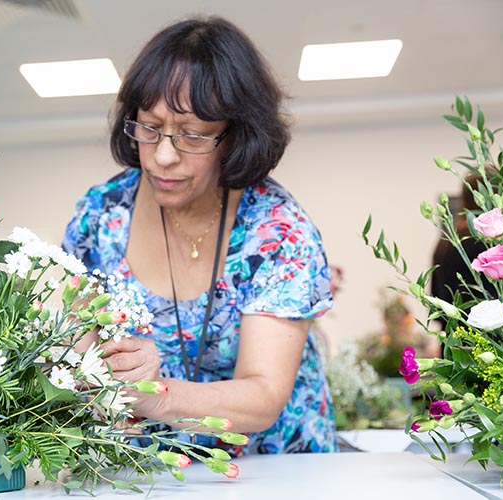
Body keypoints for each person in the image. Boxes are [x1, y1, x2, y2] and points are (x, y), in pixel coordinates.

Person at [62, 16, 335, 454]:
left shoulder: (278, 230)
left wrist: (157, 394)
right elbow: (72, 354)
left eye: (192, 135)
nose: (163, 157)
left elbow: (263, 396)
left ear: (234, 137)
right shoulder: (99, 214)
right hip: (152, 470)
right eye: (150, 128)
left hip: (275, 468)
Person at [431, 172, 497, 331]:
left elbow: (436, 300)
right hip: (490, 341)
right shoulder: (489, 242)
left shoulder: (447, 241)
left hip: (454, 337)